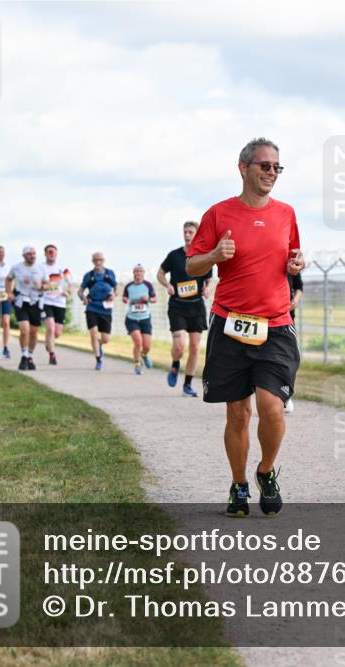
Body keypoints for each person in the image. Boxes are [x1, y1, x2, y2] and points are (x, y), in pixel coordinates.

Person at [186, 137, 303, 517]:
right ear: (244, 168)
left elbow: (291, 258)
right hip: (231, 323)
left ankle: (265, 472)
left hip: (275, 324)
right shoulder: (219, 213)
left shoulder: (286, 213)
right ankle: (238, 486)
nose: (271, 173)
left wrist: (296, 265)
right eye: (265, 166)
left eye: (276, 168)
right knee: (238, 413)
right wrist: (215, 255)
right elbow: (192, 267)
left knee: (273, 407)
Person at [158, 221, 213, 396]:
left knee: (195, 347)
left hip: (196, 306)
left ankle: (187, 385)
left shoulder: (202, 256)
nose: (187, 235)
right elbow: (160, 273)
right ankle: (175, 365)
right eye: (185, 232)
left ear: (197, 235)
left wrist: (207, 289)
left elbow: (209, 279)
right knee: (180, 345)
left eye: (190, 232)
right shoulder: (174, 255)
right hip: (177, 306)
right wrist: (167, 284)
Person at [6, 246, 46, 371]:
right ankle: (23, 355)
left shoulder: (41, 268)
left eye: (34, 253)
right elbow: (8, 279)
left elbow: (49, 285)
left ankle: (30, 355)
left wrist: (42, 286)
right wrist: (9, 293)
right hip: (21, 300)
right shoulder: (16, 267)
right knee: (24, 330)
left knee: (33, 331)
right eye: (29, 254)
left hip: (36, 301)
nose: (32, 256)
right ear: (24, 256)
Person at [78, 252, 117, 371]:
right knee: (94, 333)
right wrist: (83, 298)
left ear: (103, 260)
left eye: (100, 260)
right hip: (92, 307)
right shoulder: (88, 276)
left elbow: (116, 288)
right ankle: (98, 359)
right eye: (95, 260)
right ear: (92, 261)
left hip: (106, 308)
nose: (98, 262)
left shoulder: (109, 273)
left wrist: (113, 295)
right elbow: (80, 291)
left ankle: (99, 345)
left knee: (105, 339)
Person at [41, 244, 74, 365]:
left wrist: (68, 291)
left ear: (56, 253)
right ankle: (52, 355)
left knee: (57, 333)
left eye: (53, 252)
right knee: (50, 327)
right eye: (49, 252)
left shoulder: (62, 268)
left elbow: (71, 283)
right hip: (46, 301)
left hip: (60, 302)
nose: (51, 254)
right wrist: (45, 287)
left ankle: (48, 344)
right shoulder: (40, 267)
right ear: (45, 254)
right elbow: (37, 284)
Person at [122, 264, 156, 375]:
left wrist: (148, 299)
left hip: (145, 318)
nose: (138, 273)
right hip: (132, 318)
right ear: (133, 273)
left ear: (143, 273)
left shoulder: (148, 285)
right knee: (138, 342)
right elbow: (125, 297)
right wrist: (125, 299)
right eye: (136, 271)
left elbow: (154, 299)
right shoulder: (128, 286)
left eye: (140, 271)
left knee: (146, 346)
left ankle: (144, 355)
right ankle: (137, 363)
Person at [284, 272, 304, 414]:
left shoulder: (290, 259)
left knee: (289, 358)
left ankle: (286, 394)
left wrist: (295, 300)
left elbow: (299, 286)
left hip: (286, 318)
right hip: (261, 317)